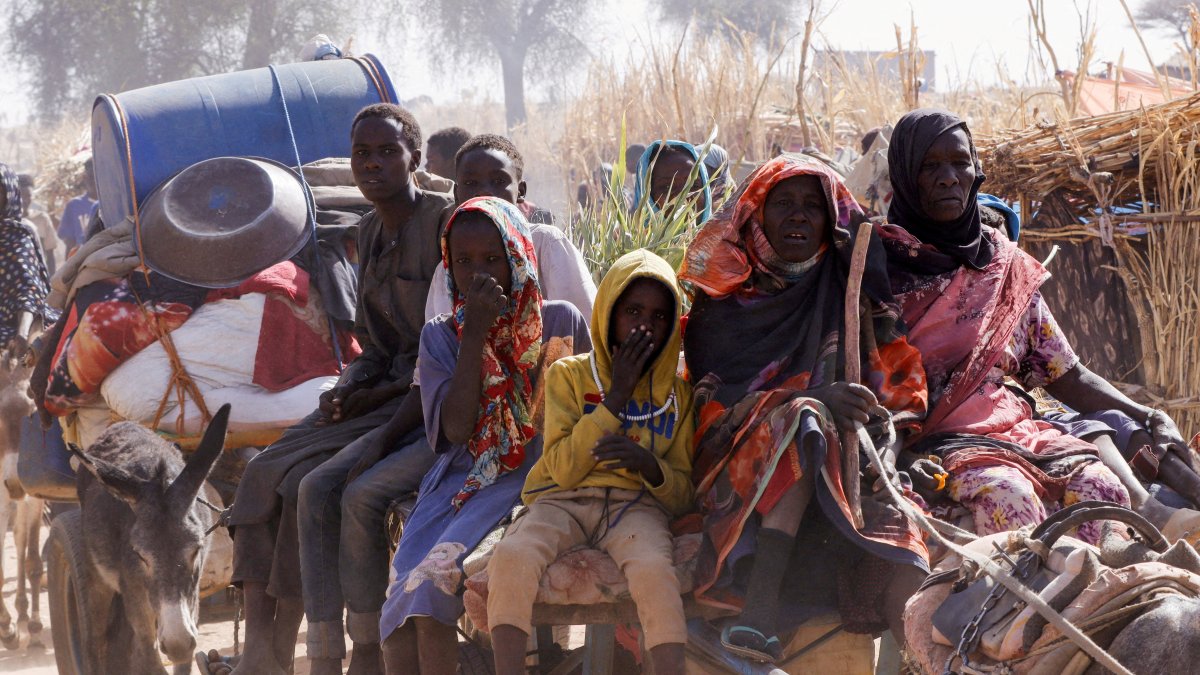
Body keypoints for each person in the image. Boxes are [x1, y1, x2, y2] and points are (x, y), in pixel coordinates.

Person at [878, 108, 1200, 546]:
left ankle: (1098, 605)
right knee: (1010, 497)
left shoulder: (1002, 264)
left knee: (1101, 487)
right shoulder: (878, 270)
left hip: (1018, 430)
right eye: (929, 166)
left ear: (977, 171)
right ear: (903, 175)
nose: (949, 177)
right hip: (935, 440)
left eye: (959, 162)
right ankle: (1024, 614)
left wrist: (1148, 414)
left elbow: (1065, 373)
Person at [218, 104, 453, 675]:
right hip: (379, 395)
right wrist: (346, 385)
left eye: (386, 152)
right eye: (361, 154)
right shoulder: (367, 232)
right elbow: (374, 345)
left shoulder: (445, 225)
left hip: (427, 399)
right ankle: (264, 650)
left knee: (315, 485)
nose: (371, 165)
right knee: (264, 471)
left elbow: (441, 345)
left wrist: (372, 393)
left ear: (414, 160)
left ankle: (342, 652)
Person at [680, 154, 930, 663]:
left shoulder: (847, 289)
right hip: (732, 449)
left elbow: (896, 377)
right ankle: (761, 605)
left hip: (837, 454)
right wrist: (808, 398)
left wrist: (885, 430)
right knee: (803, 419)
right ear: (756, 214)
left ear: (830, 219)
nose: (799, 217)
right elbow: (711, 396)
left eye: (812, 207)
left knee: (905, 531)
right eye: (784, 204)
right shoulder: (725, 298)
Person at [379, 197, 590, 675]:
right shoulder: (441, 336)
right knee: (401, 601)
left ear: (518, 256)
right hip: (461, 480)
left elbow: (571, 423)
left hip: (536, 477)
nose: (479, 274)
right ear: (448, 267)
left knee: (436, 586)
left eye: (493, 259)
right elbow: (456, 430)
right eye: (464, 262)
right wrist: (473, 334)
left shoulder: (559, 323)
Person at [487, 249, 695, 675]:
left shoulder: (678, 395)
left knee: (656, 571)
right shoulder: (568, 375)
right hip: (561, 501)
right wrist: (615, 398)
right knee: (512, 556)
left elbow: (681, 495)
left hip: (635, 507)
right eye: (633, 311)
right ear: (608, 313)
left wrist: (649, 465)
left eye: (659, 317)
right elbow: (561, 469)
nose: (645, 326)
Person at [425, 133, 596, 323]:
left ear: (521, 191)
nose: (484, 192)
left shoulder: (545, 243)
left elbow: (583, 324)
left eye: (499, 181)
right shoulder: (450, 267)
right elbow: (440, 340)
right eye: (471, 183)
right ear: (457, 195)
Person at [0, 163, 59, 367]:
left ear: (8, 194)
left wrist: (22, 333)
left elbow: (28, 287)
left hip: (19, 319)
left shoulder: (21, 234)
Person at [632, 140, 712, 224]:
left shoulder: (723, 235)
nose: (683, 197)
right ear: (646, 196)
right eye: (667, 187)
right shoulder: (624, 236)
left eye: (693, 185)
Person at [17, 173, 61, 276]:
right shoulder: (10, 223)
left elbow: (50, 255)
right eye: (21, 196)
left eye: (28, 196)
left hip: (39, 275)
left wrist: (51, 280)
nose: (25, 200)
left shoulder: (42, 219)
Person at [57, 158, 98, 254]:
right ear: (84, 178)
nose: (94, 181)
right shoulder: (74, 205)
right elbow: (68, 238)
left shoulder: (111, 204)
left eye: (97, 176)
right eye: (91, 177)